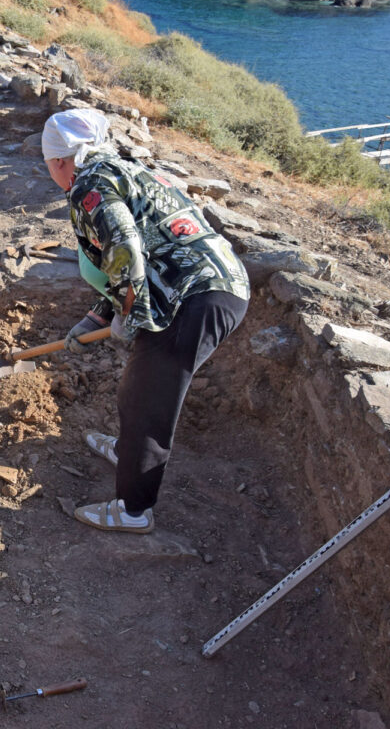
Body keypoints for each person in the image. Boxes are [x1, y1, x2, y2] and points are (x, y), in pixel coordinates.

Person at [42, 108, 250, 534]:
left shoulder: (90, 186)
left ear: (60, 160)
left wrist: (131, 315)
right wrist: (95, 318)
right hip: (204, 288)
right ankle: (127, 450)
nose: (50, 172)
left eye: (48, 165)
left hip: (194, 298)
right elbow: (132, 262)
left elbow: (125, 249)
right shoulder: (123, 170)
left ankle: (133, 511)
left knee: (150, 401)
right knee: (138, 385)